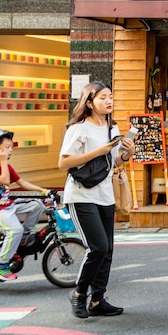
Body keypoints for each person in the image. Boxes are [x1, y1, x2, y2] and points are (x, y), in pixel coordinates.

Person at [57, 82, 135, 319]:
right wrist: (99, 151)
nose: (109, 101)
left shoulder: (112, 128)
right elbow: (63, 162)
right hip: (81, 194)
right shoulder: (79, 128)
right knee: (98, 247)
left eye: (110, 96)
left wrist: (127, 154)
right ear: (89, 102)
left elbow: (111, 163)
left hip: (105, 194)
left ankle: (98, 299)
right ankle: (80, 294)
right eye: (103, 97)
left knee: (107, 250)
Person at [0, 129, 49, 281]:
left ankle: (24, 236)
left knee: (36, 205)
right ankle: (0, 265)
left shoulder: (7, 167)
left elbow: (22, 183)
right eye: (8, 147)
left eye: (12, 147)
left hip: (8, 206)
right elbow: (5, 181)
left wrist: (44, 191)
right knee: (15, 229)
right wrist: (3, 160)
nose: (11, 150)